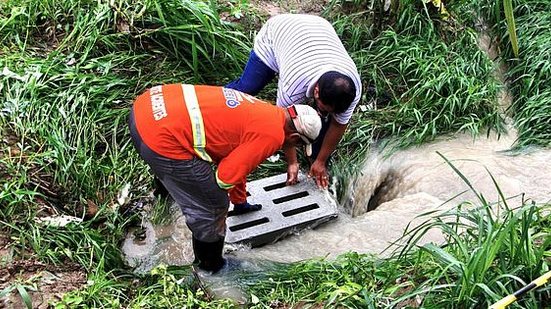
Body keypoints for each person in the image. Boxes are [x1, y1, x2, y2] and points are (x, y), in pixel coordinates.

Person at [128, 84, 321, 273]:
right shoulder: (273, 135)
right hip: (159, 139)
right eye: (297, 144)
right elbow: (225, 177)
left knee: (192, 179)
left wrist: (240, 201)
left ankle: (164, 200)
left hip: (148, 108)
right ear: (295, 136)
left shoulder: (267, 110)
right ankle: (210, 267)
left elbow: (231, 156)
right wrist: (218, 206)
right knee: (213, 206)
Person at [226, 14, 362, 189]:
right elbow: (284, 124)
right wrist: (292, 162)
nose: (324, 114)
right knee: (247, 89)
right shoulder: (293, 86)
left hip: (318, 29)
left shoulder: (351, 88)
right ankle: (213, 102)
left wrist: (320, 161)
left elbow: (339, 124)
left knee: (325, 126)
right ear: (316, 91)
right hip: (278, 33)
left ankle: (314, 160)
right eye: (323, 108)